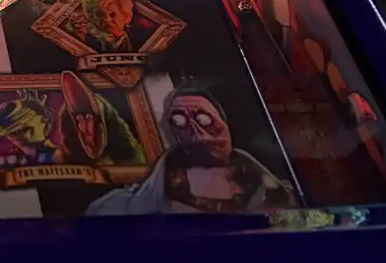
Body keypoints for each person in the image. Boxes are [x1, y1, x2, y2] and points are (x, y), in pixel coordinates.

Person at [87, 89, 295, 214]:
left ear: (225, 122)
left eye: (204, 120)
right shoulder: (114, 207)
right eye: (181, 121)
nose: (198, 134)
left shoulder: (281, 195)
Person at [56, 70, 146, 169]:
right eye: (80, 120)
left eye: (88, 118)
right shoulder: (68, 147)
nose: (84, 127)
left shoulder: (127, 149)